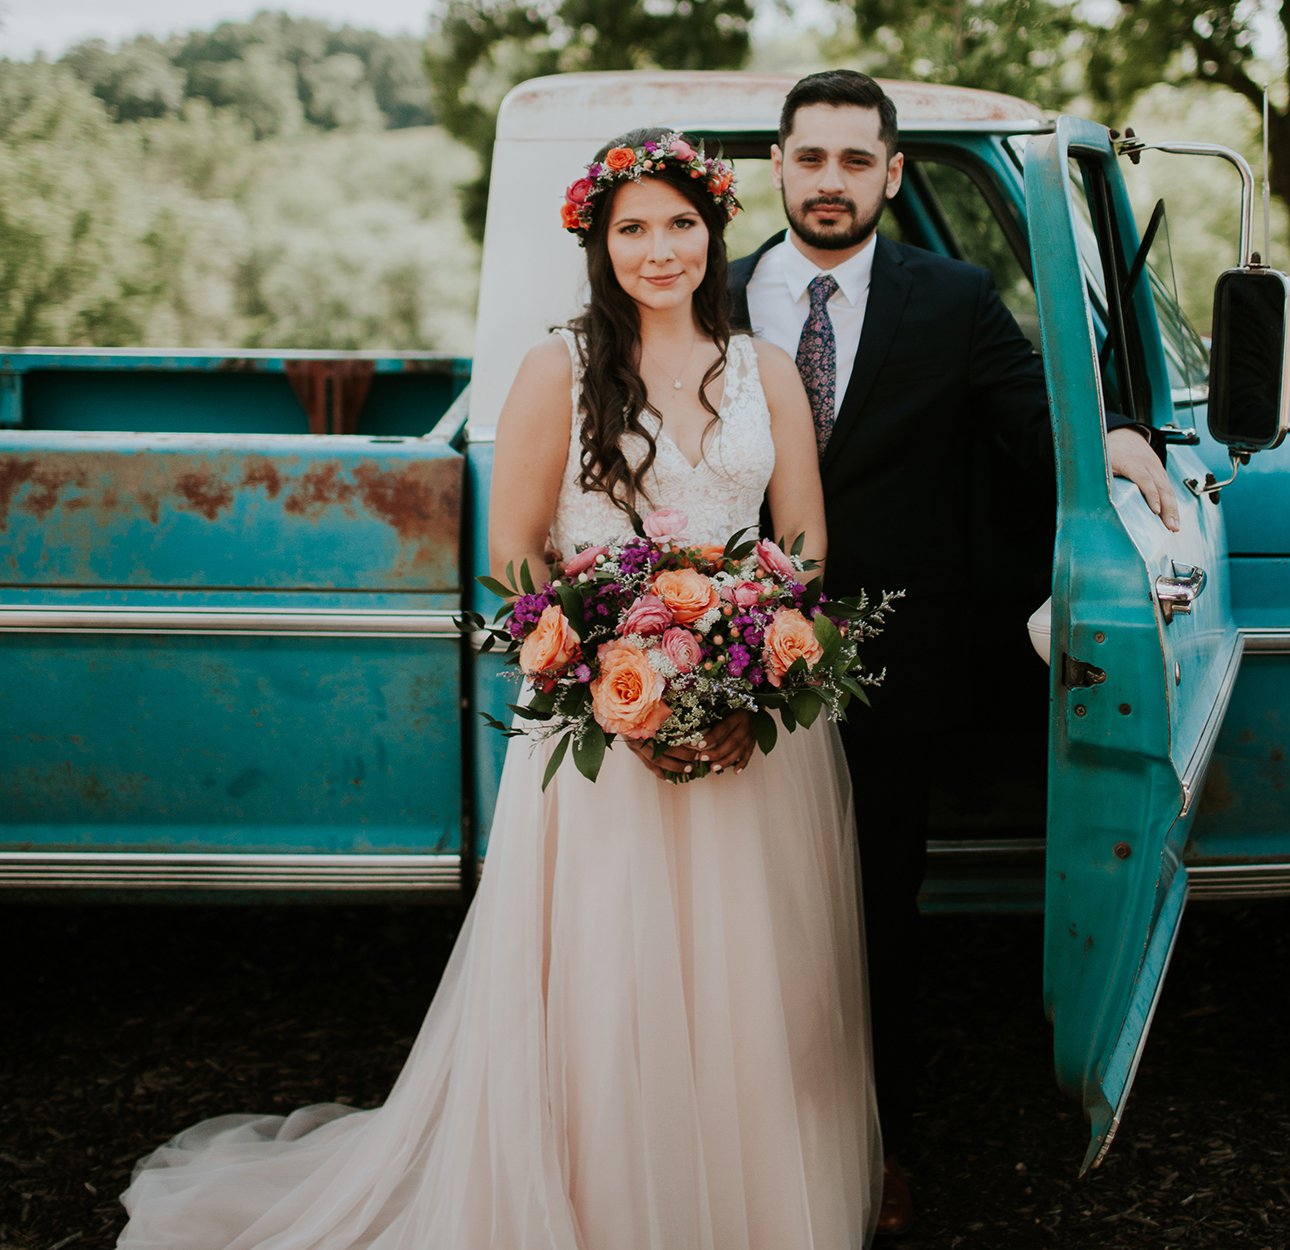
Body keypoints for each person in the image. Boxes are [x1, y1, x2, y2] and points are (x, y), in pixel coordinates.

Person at [116, 128, 882, 1250]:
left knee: (750, 987)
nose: (660, 249)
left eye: (681, 223)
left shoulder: (766, 369)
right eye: (634, 228)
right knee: (609, 981)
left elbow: (803, 541)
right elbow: (516, 557)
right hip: (603, 729)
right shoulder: (558, 368)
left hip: (752, 735)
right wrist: (619, 677)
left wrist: (751, 674)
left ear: (715, 229)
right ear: (598, 241)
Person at [728, 69, 1180, 1235]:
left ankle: (881, 1146)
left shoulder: (953, 294)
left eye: (855, 160)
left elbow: (1032, 415)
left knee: (878, 918)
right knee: (729, 915)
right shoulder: (710, 299)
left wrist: (1117, 438)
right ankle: (727, 1138)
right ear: (776, 166)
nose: (831, 181)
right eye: (810, 157)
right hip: (719, 666)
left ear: (893, 172)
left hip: (892, 666)